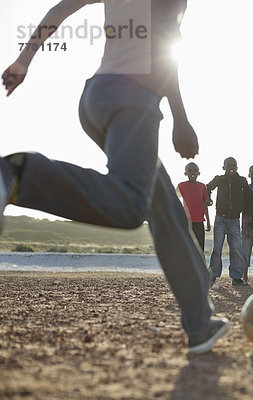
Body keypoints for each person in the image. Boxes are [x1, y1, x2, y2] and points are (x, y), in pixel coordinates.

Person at [0, 0, 228, 353]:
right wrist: (181, 119)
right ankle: (19, 175)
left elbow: (60, 10)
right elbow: (164, 48)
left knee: (165, 208)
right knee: (128, 206)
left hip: (97, 98)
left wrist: (24, 61)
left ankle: (199, 323)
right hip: (132, 100)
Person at [206, 157, 250, 288]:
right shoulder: (219, 179)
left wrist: (247, 213)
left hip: (235, 220)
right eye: (228, 165)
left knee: (236, 248)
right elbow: (207, 187)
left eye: (234, 165)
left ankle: (236, 277)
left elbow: (248, 196)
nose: (231, 167)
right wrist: (208, 198)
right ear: (223, 167)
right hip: (220, 219)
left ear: (237, 167)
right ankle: (212, 277)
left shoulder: (242, 181)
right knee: (217, 248)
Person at [177, 162, 211, 251]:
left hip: (199, 223)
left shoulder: (202, 186)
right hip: (185, 223)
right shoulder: (181, 185)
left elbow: (205, 205)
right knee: (186, 248)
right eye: (190, 171)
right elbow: (173, 199)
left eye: (195, 171)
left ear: (199, 173)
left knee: (199, 248)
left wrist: (208, 221)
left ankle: (200, 265)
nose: (193, 173)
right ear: (185, 173)